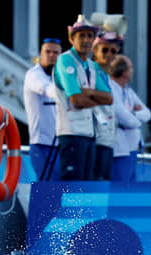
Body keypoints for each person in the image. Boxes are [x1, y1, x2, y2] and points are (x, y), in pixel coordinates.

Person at [54, 15, 114, 181]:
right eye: (81, 35)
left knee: (87, 187)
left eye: (90, 36)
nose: (86, 40)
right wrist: (94, 96)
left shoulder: (92, 65)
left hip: (89, 133)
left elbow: (109, 99)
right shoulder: (65, 59)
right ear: (71, 38)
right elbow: (76, 101)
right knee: (72, 186)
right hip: (71, 132)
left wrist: (86, 92)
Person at [24, 37, 63, 181]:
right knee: (46, 188)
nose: (52, 56)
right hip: (41, 143)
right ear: (41, 53)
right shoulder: (33, 75)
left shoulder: (59, 77)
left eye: (56, 53)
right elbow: (46, 89)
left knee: (60, 189)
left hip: (60, 144)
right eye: (48, 52)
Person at [109, 55, 151, 182]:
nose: (133, 71)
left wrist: (132, 114)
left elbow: (148, 113)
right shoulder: (110, 88)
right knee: (119, 189)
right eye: (131, 68)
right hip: (119, 149)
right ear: (124, 72)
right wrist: (135, 117)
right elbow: (124, 118)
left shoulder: (128, 90)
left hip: (132, 148)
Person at [93, 31, 123, 181]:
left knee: (104, 185)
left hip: (107, 140)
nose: (109, 54)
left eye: (113, 51)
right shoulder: (90, 72)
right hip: (95, 140)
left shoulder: (106, 77)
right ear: (95, 51)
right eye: (105, 50)